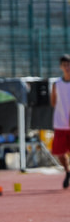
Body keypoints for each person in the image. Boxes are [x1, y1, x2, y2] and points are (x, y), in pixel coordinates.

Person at [50, 53, 70, 188]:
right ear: (60, 67)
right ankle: (67, 171)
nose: (67, 67)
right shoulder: (56, 84)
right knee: (59, 152)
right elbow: (53, 103)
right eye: (64, 65)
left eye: (68, 64)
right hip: (60, 123)